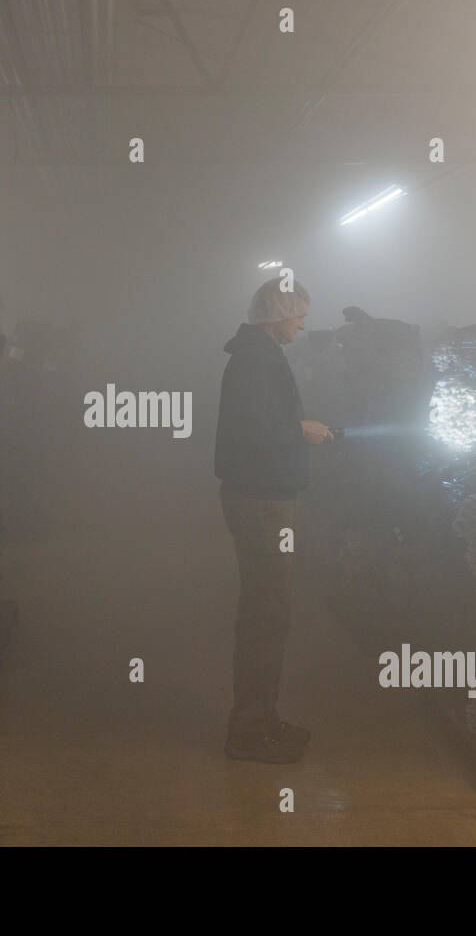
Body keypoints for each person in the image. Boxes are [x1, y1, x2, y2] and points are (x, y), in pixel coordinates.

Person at [214, 279, 332, 763]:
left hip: (266, 497)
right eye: (298, 314)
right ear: (277, 313)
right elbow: (255, 430)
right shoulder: (255, 360)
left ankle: (261, 717)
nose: (303, 323)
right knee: (267, 612)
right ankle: (249, 731)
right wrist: (299, 431)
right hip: (263, 501)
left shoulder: (258, 355)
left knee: (269, 610)